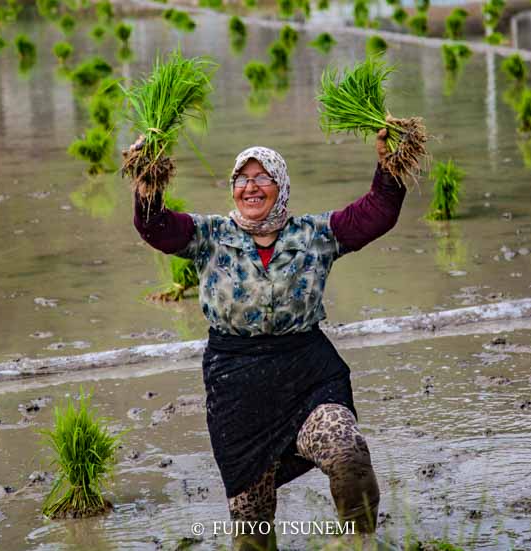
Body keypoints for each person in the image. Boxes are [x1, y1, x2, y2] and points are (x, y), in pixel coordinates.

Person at [132, 128, 406, 550]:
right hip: (238, 390)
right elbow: (157, 228)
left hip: (307, 375)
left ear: (281, 185)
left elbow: (378, 213)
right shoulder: (209, 236)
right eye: (243, 178)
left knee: (346, 449)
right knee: (252, 525)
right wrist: (148, 181)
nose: (251, 186)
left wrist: (391, 164)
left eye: (263, 177)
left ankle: (359, 540)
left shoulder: (316, 235)